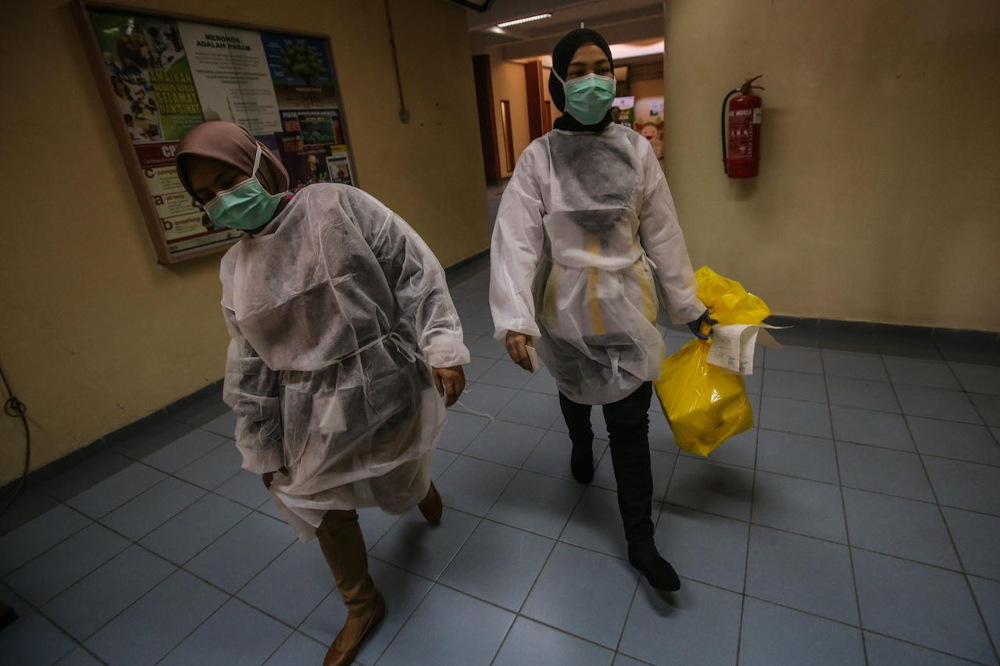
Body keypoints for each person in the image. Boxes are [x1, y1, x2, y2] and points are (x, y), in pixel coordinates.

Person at [176, 121, 468, 666]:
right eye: (207, 194)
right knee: (316, 498)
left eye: (229, 179)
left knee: (397, 466)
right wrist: (262, 441)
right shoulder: (235, 269)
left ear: (260, 165)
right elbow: (249, 361)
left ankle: (418, 487)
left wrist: (443, 344)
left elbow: (412, 267)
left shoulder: (335, 205)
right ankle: (363, 605)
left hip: (385, 374)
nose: (223, 199)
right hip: (309, 403)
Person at [490, 29, 715, 593]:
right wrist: (514, 318)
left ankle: (640, 539)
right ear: (559, 82)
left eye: (602, 68)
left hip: (626, 303)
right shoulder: (539, 157)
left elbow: (663, 233)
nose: (593, 80)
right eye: (579, 70)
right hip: (565, 307)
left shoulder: (637, 151)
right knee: (574, 391)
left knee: (631, 423)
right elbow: (516, 240)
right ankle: (580, 441)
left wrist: (688, 305)